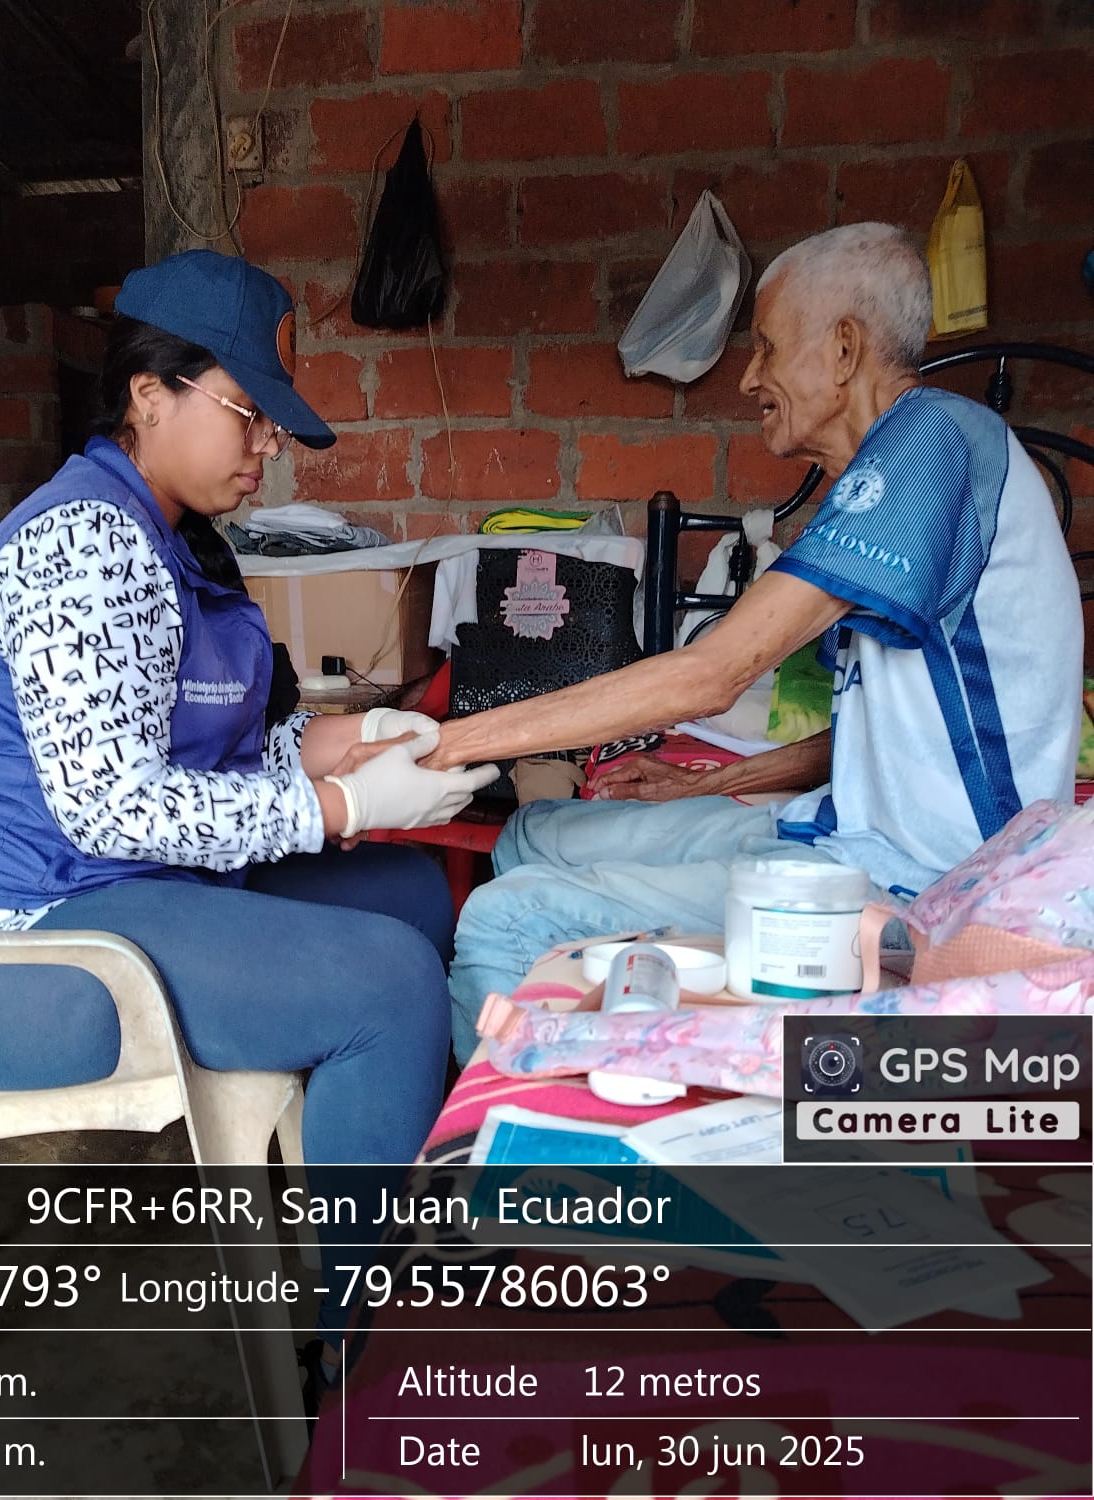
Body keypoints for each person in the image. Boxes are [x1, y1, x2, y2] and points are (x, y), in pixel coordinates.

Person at [0, 248, 498, 1159]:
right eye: (249, 414)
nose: (267, 447)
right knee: (391, 985)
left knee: (409, 894)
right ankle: (364, 1251)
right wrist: (338, 806)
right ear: (149, 394)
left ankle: (356, 1149)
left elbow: (197, 750)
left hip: (107, 885)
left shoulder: (180, 540)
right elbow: (113, 805)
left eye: (272, 424)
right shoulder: (82, 543)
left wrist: (351, 738)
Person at [437, 222, 1082, 1062]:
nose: (748, 377)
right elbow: (882, 738)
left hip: (932, 886)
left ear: (844, 350)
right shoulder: (916, 454)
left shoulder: (932, 444)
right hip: (837, 830)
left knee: (504, 917)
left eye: (768, 347)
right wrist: (710, 782)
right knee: (535, 831)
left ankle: (516, 1130)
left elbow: (712, 674)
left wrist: (448, 743)